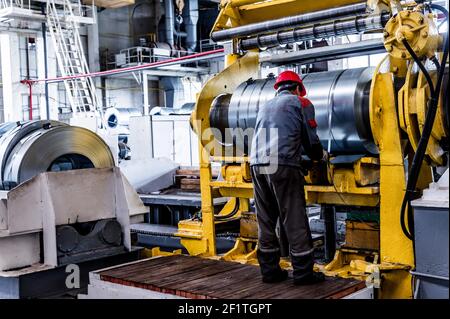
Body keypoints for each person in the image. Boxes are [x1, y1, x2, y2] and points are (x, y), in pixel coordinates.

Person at [250, 70, 328, 285]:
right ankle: (303, 274)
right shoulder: (300, 103)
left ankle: (269, 271)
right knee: (294, 217)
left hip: (256, 165)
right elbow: (310, 140)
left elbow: (275, 137)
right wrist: (319, 156)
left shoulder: (264, 105)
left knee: (265, 219)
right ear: (297, 89)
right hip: (282, 165)